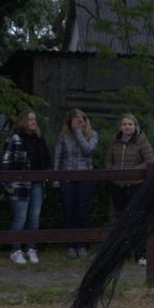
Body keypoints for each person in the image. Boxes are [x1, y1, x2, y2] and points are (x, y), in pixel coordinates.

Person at [107, 113, 154, 265]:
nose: (127, 127)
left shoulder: (141, 140)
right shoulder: (115, 140)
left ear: (135, 126)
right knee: (120, 219)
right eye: (124, 124)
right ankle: (122, 252)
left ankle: (140, 253)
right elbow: (108, 161)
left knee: (137, 218)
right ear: (120, 126)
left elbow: (150, 161)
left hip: (135, 185)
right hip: (117, 186)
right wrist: (113, 172)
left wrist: (132, 172)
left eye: (130, 124)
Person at [1, 110, 49, 264]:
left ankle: (31, 248)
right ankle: (15, 250)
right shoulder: (15, 138)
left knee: (34, 217)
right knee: (20, 217)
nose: (34, 122)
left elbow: (46, 159)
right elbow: (6, 161)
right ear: (23, 121)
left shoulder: (39, 138)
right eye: (30, 119)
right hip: (20, 184)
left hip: (37, 183)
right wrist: (8, 183)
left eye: (34, 119)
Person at [53, 109, 99, 259]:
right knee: (69, 211)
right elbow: (58, 157)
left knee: (82, 211)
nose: (79, 123)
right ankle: (70, 245)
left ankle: (82, 244)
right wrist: (55, 178)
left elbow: (87, 150)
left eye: (81, 120)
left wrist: (78, 132)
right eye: (75, 121)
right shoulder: (63, 136)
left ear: (86, 121)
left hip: (85, 178)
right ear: (69, 123)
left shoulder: (93, 135)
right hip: (67, 178)